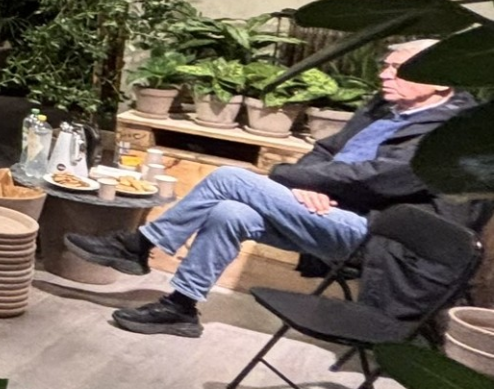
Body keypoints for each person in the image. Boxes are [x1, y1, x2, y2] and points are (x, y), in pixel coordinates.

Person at [65, 40, 477, 337]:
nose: (385, 75)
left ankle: (139, 245)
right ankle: (181, 307)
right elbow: (325, 150)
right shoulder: (383, 108)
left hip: (377, 233)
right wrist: (308, 184)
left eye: (398, 69)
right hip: (328, 210)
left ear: (440, 80)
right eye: (385, 66)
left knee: (229, 178)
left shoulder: (455, 133)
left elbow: (376, 178)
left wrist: (294, 179)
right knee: (229, 212)